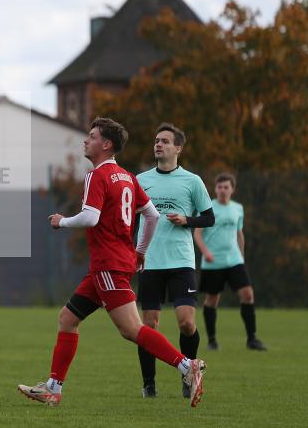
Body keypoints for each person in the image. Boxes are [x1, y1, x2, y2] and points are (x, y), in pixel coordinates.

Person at [17, 118, 207, 408]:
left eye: (91, 136)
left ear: (106, 144)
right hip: (110, 265)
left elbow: (90, 217)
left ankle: (186, 366)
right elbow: (152, 215)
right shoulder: (128, 176)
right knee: (67, 319)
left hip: (108, 265)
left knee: (131, 329)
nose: (86, 140)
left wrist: (61, 222)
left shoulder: (98, 175)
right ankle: (53, 388)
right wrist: (140, 251)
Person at [135, 123, 215, 399]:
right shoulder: (141, 180)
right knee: (149, 325)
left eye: (165, 141)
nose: (158, 144)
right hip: (150, 261)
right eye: (157, 140)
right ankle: (148, 384)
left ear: (178, 148)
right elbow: (129, 217)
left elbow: (209, 217)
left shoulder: (192, 181)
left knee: (186, 323)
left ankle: (188, 372)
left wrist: (187, 220)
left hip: (181, 260)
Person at [193, 173, 266, 351]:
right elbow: (197, 233)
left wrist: (241, 255)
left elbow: (239, 233)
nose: (223, 190)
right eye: (220, 187)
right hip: (213, 263)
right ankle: (212, 341)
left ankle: (252, 339)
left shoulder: (238, 208)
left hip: (234, 261)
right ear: (215, 189)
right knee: (212, 300)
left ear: (232, 189)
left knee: (248, 294)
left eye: (226, 187)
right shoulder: (207, 207)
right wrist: (206, 253)